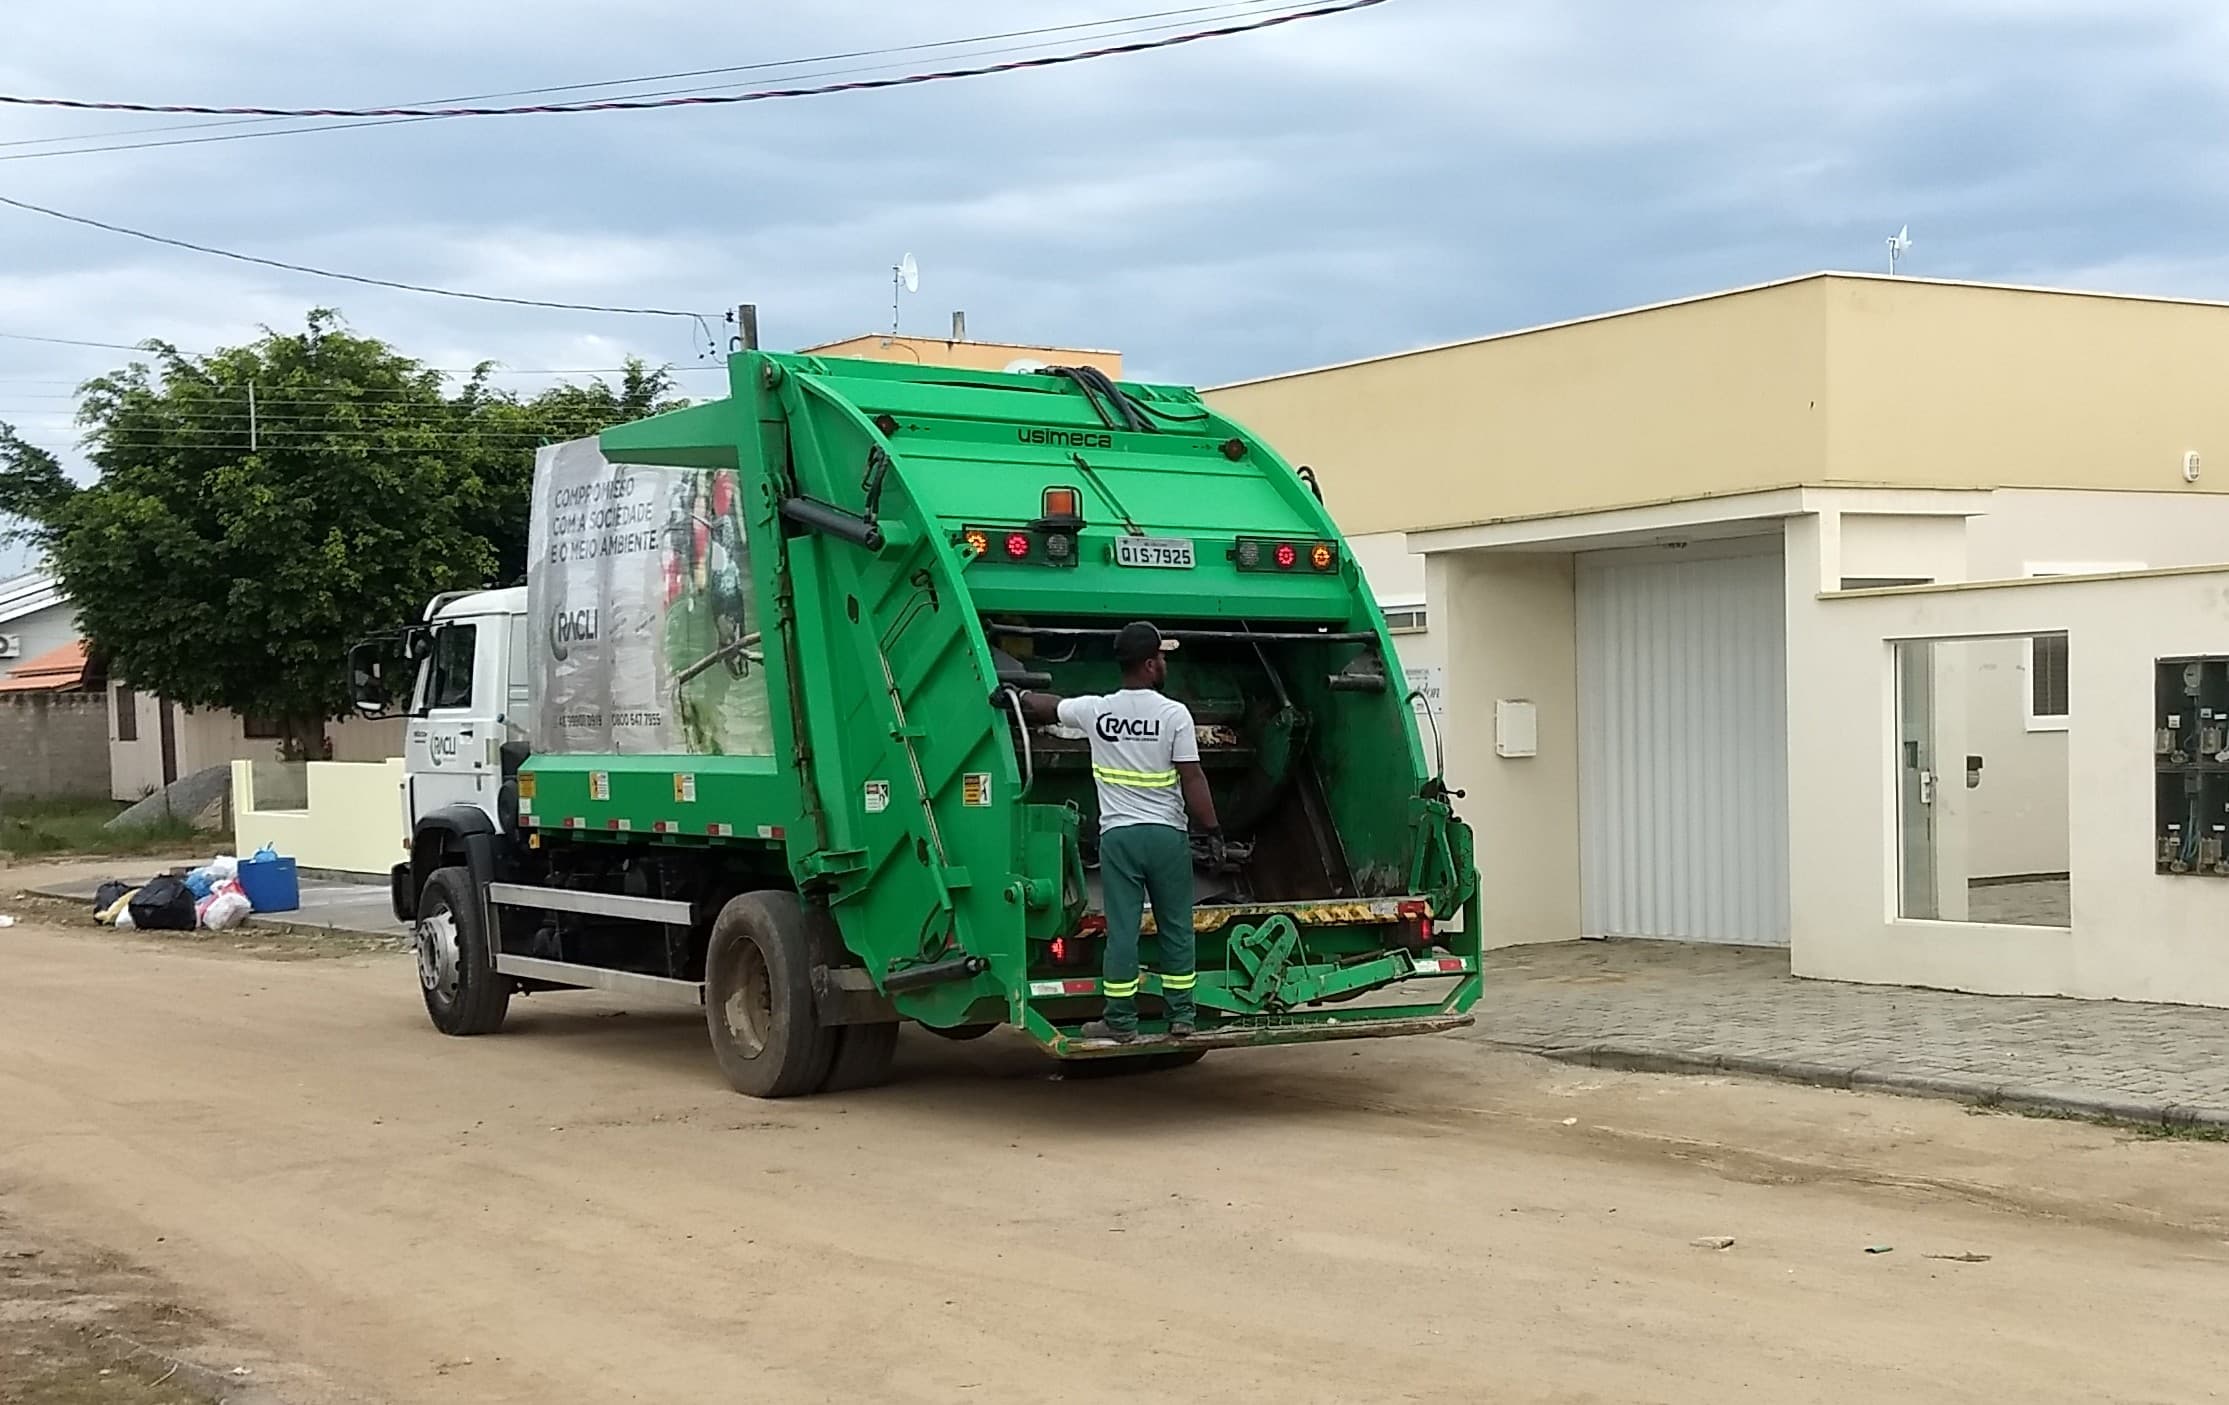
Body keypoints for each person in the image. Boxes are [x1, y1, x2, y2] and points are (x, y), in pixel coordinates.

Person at [998, 621, 1221, 1042]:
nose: (1165, 663)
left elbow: (1048, 706)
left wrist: (1013, 695)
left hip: (1120, 838)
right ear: (1151, 664)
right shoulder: (1174, 714)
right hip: (1166, 837)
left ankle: (1120, 1020)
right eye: (1163, 657)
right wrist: (1212, 829)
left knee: (1123, 931)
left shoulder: (1098, 710)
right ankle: (1182, 1017)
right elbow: (1192, 778)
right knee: (1176, 927)